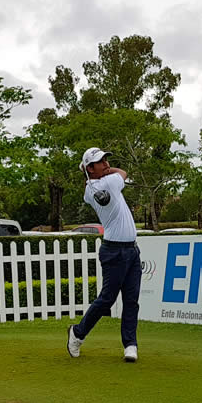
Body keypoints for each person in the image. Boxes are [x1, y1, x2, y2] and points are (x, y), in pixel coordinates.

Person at [67, 147, 142, 362]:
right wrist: (111, 172)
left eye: (106, 160)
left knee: (131, 300)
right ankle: (77, 333)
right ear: (90, 168)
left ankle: (130, 344)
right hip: (114, 251)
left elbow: (112, 175)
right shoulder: (107, 183)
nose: (106, 164)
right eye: (101, 162)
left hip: (131, 249)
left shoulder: (92, 188)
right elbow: (124, 173)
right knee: (107, 299)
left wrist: (98, 171)